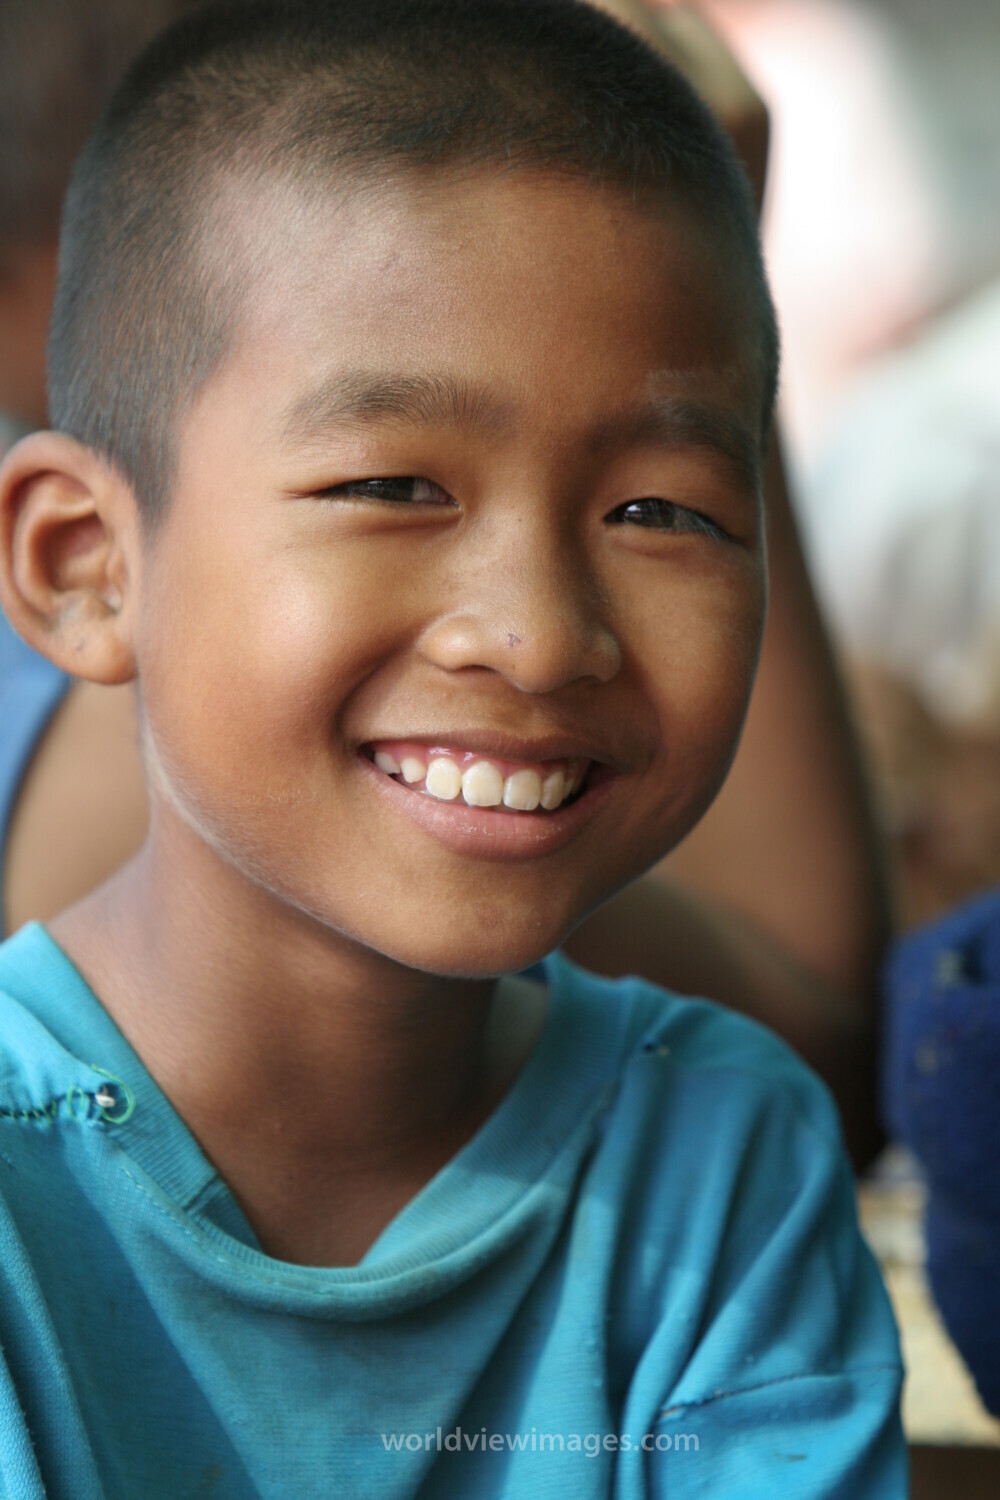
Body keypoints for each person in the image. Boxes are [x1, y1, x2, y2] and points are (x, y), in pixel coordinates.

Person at [0, 2, 905, 1493]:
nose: (540, 635)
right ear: (89, 563)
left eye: (661, 511)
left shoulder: (717, 1158)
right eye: (393, 483)